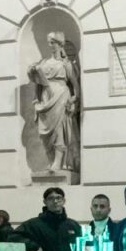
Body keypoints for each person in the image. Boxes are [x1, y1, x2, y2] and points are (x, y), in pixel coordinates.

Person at [28, 31, 80, 172]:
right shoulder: (43, 62)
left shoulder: (65, 64)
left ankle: (58, 162)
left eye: (53, 42)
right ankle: (51, 161)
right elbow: (38, 83)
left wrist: (74, 99)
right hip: (45, 97)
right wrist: (33, 72)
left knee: (58, 130)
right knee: (44, 132)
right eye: (49, 42)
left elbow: (75, 85)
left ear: (60, 44)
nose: (50, 45)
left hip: (61, 95)